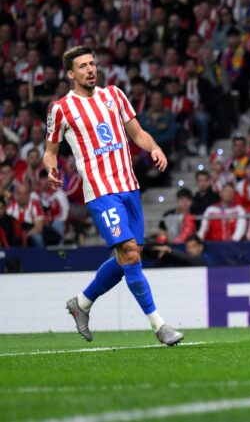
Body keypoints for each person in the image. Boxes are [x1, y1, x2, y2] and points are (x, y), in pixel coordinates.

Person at [44, 46, 183, 346]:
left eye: (92, 64)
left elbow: (138, 133)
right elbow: (50, 152)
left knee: (129, 256)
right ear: (71, 74)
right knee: (130, 252)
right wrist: (51, 169)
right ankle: (159, 326)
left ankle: (81, 303)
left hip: (129, 186)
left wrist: (154, 147)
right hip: (100, 191)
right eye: (83, 66)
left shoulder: (115, 95)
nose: (90, 70)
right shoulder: (61, 109)